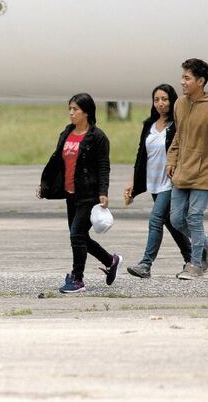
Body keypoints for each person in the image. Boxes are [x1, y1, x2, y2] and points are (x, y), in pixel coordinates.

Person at [39, 93, 119, 293]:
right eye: (70, 109)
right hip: (70, 194)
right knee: (81, 237)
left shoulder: (98, 137)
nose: (71, 113)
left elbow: (103, 166)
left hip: (89, 195)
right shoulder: (66, 133)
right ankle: (111, 261)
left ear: (87, 112)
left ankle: (77, 279)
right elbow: (57, 162)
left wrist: (103, 191)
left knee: (76, 236)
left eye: (75, 109)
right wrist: (46, 185)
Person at [166, 59, 208, 280]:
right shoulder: (179, 105)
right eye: (182, 77)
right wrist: (171, 160)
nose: (182, 82)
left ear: (201, 81)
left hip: (205, 172)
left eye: (187, 78)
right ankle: (205, 242)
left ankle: (195, 265)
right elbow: (178, 136)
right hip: (182, 171)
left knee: (194, 217)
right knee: (176, 220)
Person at [124, 85, 191, 278]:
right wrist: (132, 181)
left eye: (165, 99)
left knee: (155, 220)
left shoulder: (177, 124)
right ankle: (194, 256)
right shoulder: (149, 124)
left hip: (170, 182)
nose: (161, 103)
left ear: (172, 101)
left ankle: (146, 264)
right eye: (156, 100)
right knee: (172, 223)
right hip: (153, 182)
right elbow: (141, 155)